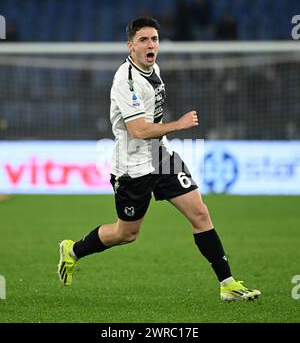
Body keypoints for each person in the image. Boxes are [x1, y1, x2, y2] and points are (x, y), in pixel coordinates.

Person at [58, 16, 261, 302]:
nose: (150, 44)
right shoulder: (125, 81)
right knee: (126, 234)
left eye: (154, 39)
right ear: (131, 46)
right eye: (143, 40)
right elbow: (138, 130)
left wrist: (166, 136)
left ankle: (227, 284)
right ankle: (73, 250)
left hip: (161, 156)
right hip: (133, 167)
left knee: (200, 213)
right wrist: (178, 124)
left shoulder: (154, 68)